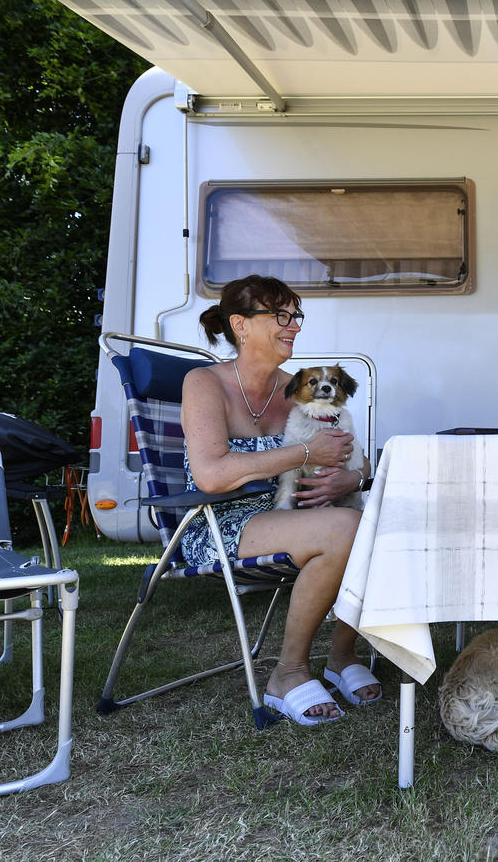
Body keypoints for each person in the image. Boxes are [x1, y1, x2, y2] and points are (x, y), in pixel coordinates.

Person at [181, 274, 380, 725]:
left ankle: (341, 655)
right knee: (345, 529)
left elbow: (359, 459)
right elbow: (211, 475)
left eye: (296, 316)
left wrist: (348, 479)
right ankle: (287, 674)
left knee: (375, 523)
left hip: (298, 515)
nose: (294, 326)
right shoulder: (204, 383)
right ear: (241, 324)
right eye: (281, 316)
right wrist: (306, 452)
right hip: (221, 522)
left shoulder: (302, 386)